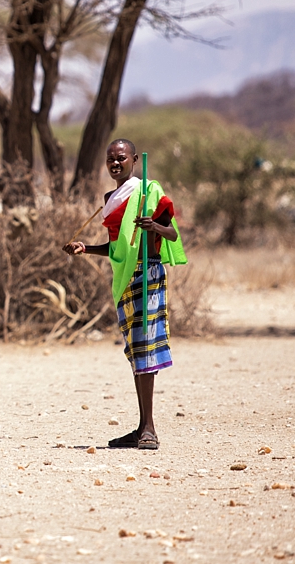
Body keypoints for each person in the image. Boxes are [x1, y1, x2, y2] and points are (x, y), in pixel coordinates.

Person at [63, 139, 186, 450]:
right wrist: (85, 248)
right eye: (110, 159)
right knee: (135, 351)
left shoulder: (148, 192)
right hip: (125, 278)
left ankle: (150, 431)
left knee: (146, 348)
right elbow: (118, 249)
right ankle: (142, 428)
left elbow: (172, 233)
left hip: (149, 273)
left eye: (121, 158)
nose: (115, 163)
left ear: (134, 160)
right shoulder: (110, 198)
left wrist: (155, 227)